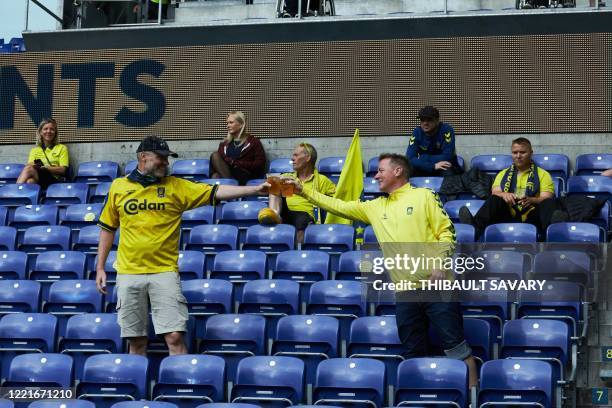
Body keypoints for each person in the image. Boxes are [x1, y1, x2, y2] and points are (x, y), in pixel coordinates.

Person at [283, 153, 478, 388]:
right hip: (405, 292)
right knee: (413, 353)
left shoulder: (424, 196)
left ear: (397, 171)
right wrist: (304, 192)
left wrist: (439, 263)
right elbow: (338, 205)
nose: (375, 175)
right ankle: (418, 398)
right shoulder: (375, 206)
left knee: (456, 348)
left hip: (438, 287)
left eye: (380, 171)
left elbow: (447, 232)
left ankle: (471, 399)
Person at [96, 136, 270, 356]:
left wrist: (254, 190)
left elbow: (215, 191)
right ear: (143, 157)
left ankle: (181, 382)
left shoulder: (176, 186)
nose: (166, 163)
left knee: (175, 336)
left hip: (164, 272)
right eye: (161, 158)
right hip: (129, 273)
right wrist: (100, 267)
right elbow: (107, 229)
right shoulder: (118, 187)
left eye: (167, 159)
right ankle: (138, 387)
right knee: (136, 340)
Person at [458, 137, 558, 239]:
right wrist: (504, 194)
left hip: (532, 217)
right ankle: (474, 229)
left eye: (522, 152)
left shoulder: (543, 174)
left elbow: (546, 198)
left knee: (549, 203)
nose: (518, 156)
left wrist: (531, 200)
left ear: (531, 153)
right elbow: (495, 192)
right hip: (507, 215)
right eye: (515, 152)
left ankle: (552, 235)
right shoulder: (503, 174)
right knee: (494, 199)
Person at [258, 143, 336, 243]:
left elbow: (337, 199)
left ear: (308, 158)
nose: (292, 159)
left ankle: (298, 252)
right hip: (285, 214)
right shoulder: (289, 177)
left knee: (302, 219)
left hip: (305, 217)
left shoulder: (321, 180)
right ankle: (274, 213)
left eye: (296, 155)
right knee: (274, 183)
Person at [210, 111, 266, 185]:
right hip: (228, 174)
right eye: (227, 123)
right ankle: (232, 185)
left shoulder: (254, 142)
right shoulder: (224, 144)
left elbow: (260, 164)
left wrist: (236, 163)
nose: (228, 125)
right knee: (215, 172)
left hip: (246, 175)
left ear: (241, 124)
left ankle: (232, 187)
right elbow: (219, 165)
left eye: (231, 122)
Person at [406, 106, 463, 177]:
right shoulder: (417, 132)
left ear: (437, 121)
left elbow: (448, 156)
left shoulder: (446, 130)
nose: (425, 123)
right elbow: (409, 158)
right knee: (408, 171)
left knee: (448, 172)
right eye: (422, 120)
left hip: (445, 166)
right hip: (428, 167)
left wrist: (424, 157)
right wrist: (433, 166)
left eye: (429, 120)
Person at [17, 118, 69, 189]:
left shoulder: (62, 148)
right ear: (41, 132)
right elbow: (31, 164)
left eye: (52, 129)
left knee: (29, 169)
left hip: (54, 180)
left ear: (55, 132)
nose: (48, 131)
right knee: (30, 181)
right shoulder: (35, 150)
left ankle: (14, 192)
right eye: (45, 129)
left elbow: (62, 170)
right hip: (40, 179)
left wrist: (45, 168)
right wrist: (41, 167)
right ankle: (25, 199)